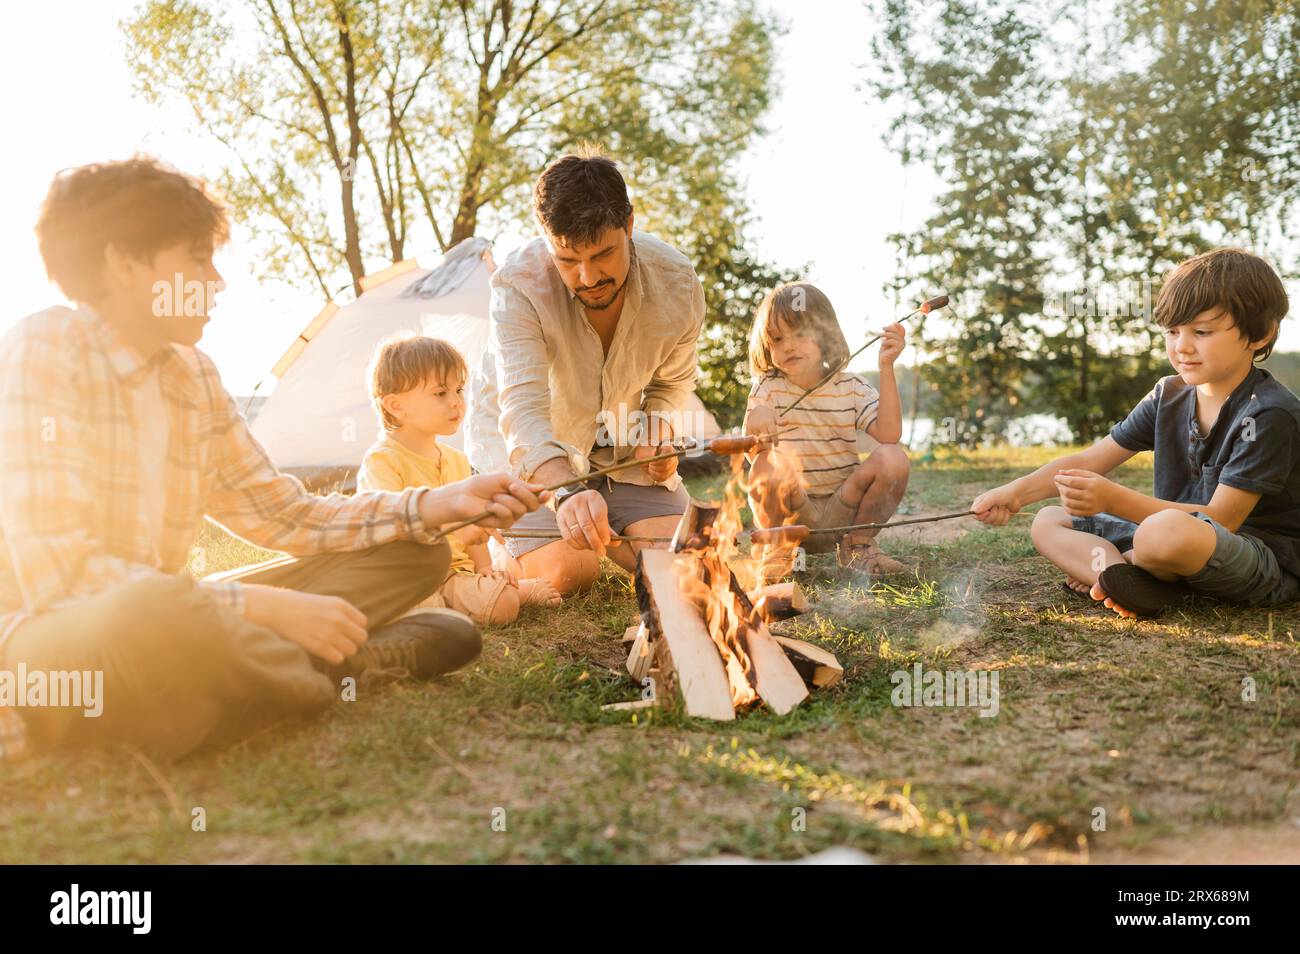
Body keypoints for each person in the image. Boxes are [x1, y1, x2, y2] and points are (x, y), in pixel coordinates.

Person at [0, 157, 545, 762]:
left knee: (414, 552)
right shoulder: (46, 350)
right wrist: (263, 606)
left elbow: (286, 517)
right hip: (62, 633)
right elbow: (64, 576)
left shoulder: (192, 376)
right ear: (125, 263)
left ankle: (223, 692)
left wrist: (437, 503)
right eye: (197, 258)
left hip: (184, 619)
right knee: (145, 609)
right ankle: (339, 669)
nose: (217, 281)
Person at [972, 247, 1300, 618]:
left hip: (1254, 556)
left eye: (1202, 331)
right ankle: (1121, 577)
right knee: (1049, 521)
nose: (1182, 346)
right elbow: (1090, 461)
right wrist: (1015, 493)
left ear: (1260, 334)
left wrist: (1112, 499)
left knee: (1164, 533)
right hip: (1162, 539)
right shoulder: (1168, 395)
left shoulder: (1269, 412)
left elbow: (1222, 520)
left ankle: (1127, 568)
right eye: (1172, 331)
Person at [466, 149, 706, 596]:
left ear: (629, 225)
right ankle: (498, 538)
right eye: (568, 260)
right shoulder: (517, 286)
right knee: (569, 574)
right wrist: (569, 493)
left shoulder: (678, 281)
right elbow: (523, 413)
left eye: (603, 254)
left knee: (686, 561)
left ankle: (607, 531)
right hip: (529, 458)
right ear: (545, 240)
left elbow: (670, 383)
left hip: (615, 453)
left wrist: (655, 426)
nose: (588, 276)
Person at [357, 333, 561, 625]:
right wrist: (449, 524)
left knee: (501, 604)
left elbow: (474, 534)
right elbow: (390, 526)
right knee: (419, 608)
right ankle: (495, 594)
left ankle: (500, 591)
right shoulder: (383, 460)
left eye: (459, 390)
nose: (456, 402)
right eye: (441, 393)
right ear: (396, 405)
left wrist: (485, 571)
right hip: (405, 578)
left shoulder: (456, 460)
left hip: (455, 575)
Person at [743, 282, 911, 583]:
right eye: (777, 339)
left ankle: (858, 547)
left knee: (893, 458)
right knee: (767, 462)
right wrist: (758, 416)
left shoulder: (851, 387)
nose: (788, 346)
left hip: (843, 513)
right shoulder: (767, 387)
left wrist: (886, 366)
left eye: (800, 334)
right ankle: (778, 552)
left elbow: (889, 434)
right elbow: (754, 453)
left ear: (826, 334)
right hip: (793, 516)